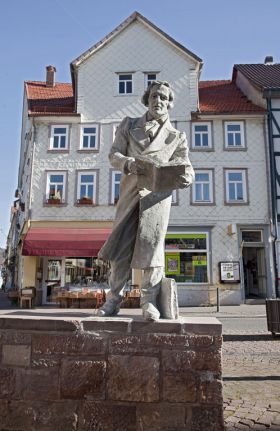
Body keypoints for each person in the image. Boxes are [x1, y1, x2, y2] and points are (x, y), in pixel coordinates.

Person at [98, 81, 194, 320]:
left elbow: (187, 168)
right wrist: (128, 163)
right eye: (153, 96)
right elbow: (114, 154)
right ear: (147, 99)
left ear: (170, 103)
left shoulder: (176, 137)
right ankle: (112, 300)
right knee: (121, 249)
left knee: (152, 250)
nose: (158, 101)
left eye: (163, 97)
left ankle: (148, 302)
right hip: (131, 193)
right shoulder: (129, 125)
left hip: (157, 199)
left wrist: (186, 178)